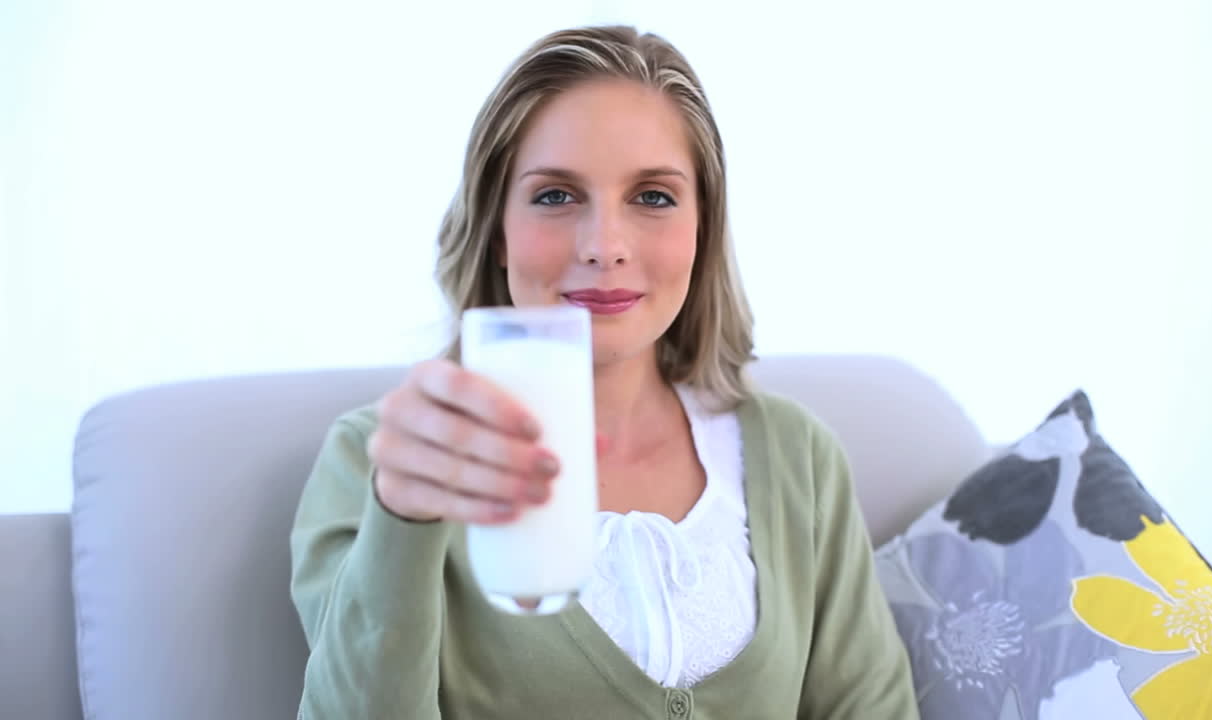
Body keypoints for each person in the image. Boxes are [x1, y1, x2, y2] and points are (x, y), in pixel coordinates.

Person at [290, 25, 918, 719]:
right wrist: (404, 519)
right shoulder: (374, 464)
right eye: (556, 195)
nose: (605, 246)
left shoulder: (798, 457)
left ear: (703, 226)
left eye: (653, 196)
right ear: (496, 229)